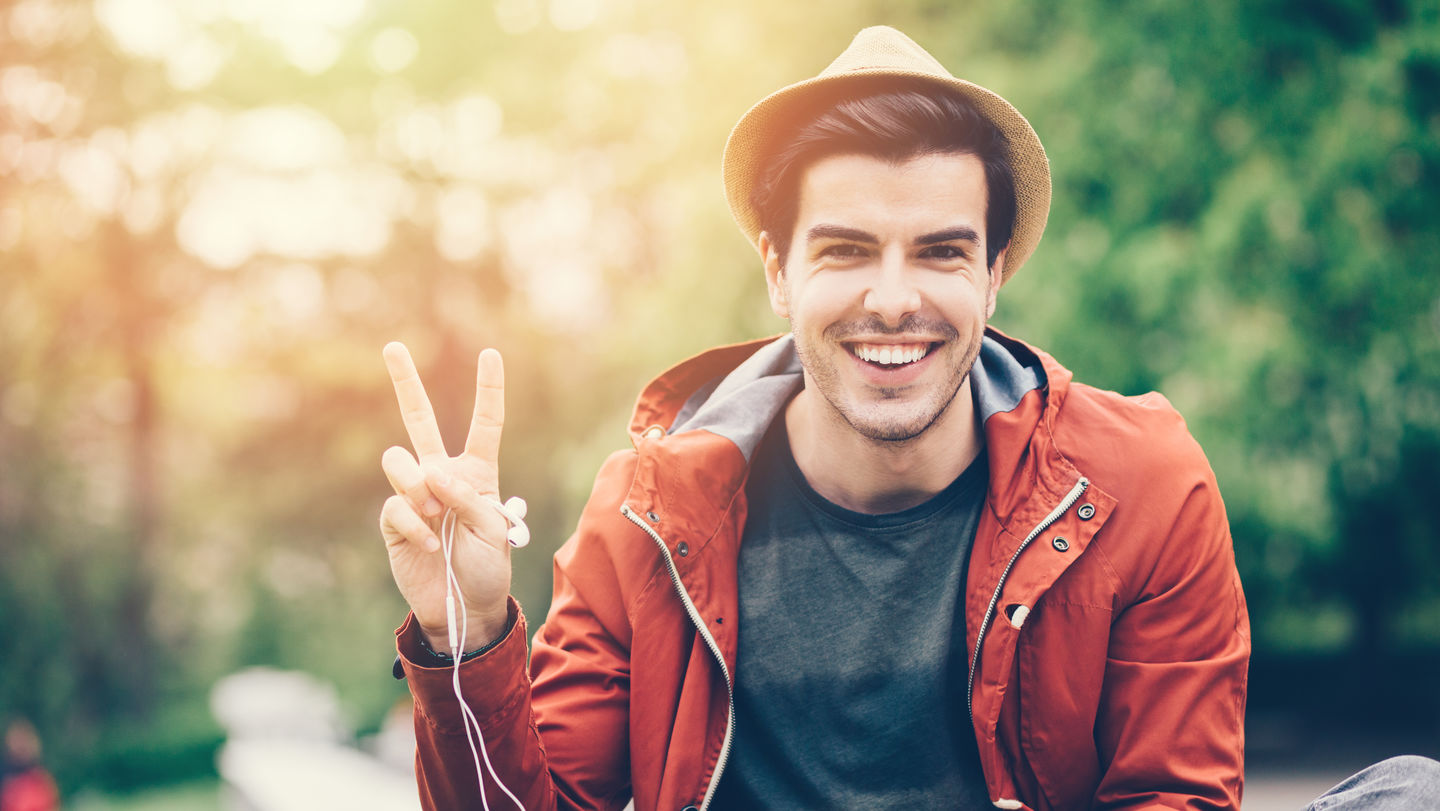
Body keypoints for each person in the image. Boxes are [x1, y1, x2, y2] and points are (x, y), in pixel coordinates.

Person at [378, 26, 1439, 811]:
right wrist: (462, 635)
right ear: (778, 272)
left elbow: (1174, 794)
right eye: (845, 250)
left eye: (940, 250)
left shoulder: (1140, 481)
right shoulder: (648, 511)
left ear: (996, 272)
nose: (895, 299)